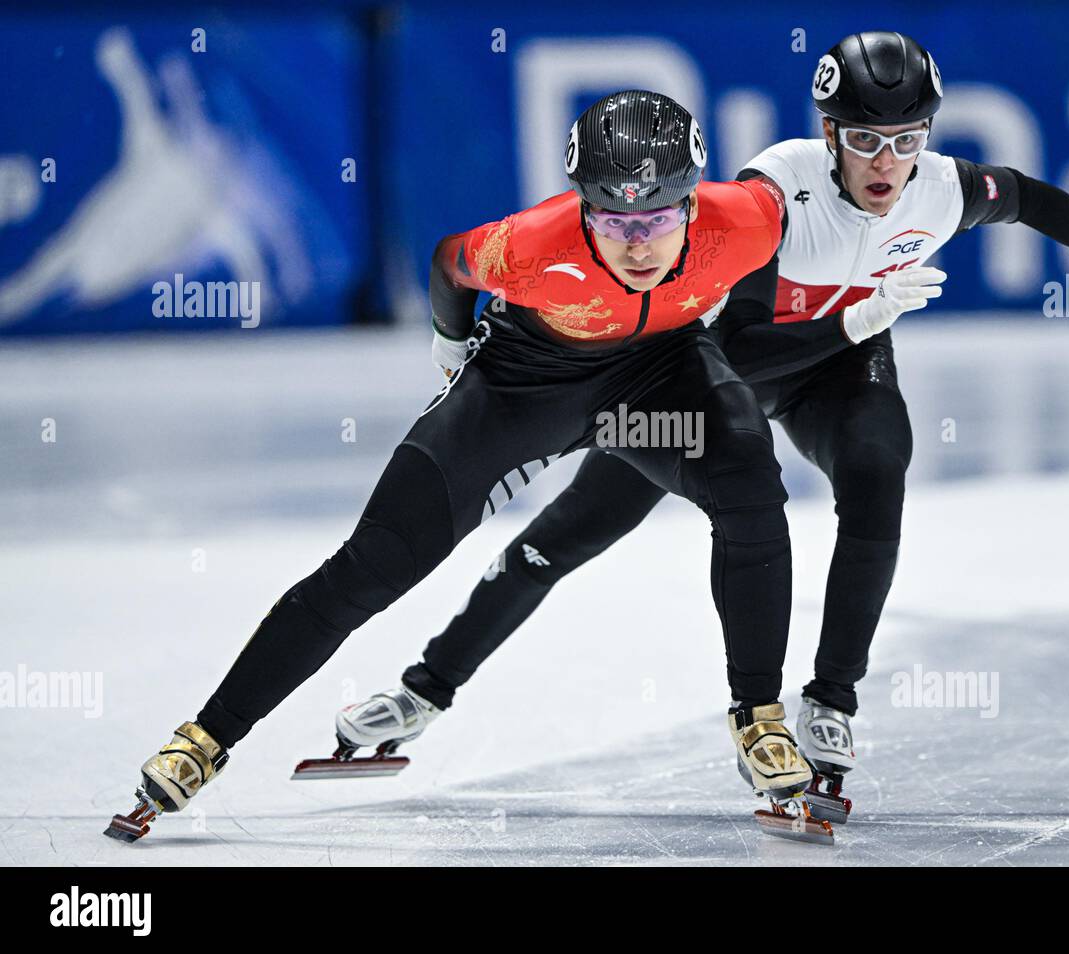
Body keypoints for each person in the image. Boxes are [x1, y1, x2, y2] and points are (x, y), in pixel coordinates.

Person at [332, 32, 1069, 823]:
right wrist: (859, 314)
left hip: (844, 368)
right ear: (828, 133)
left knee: (880, 473)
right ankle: (425, 688)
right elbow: (743, 349)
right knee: (571, 531)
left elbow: (1034, 198)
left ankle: (830, 700)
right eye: (865, 141)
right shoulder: (778, 192)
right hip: (732, 367)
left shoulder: (944, 190)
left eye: (908, 141)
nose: (887, 164)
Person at [107, 90, 822, 843]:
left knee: (752, 490)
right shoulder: (531, 244)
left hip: (654, 386)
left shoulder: (745, 221)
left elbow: (867, 202)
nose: (637, 244)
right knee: (374, 565)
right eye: (614, 221)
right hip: (523, 389)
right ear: (582, 208)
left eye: (657, 219)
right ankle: (206, 737)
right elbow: (451, 262)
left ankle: (758, 717)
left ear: (691, 204)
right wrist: (455, 355)